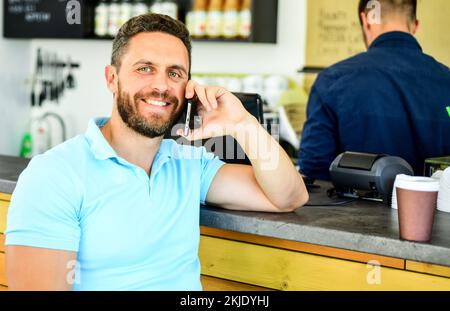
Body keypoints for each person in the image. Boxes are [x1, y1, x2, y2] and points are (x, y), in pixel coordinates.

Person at [5, 14, 308, 290]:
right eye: (145, 69)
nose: (161, 85)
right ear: (112, 78)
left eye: (175, 74)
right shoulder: (55, 175)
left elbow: (288, 197)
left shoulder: (189, 163)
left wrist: (243, 124)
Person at [298, 0, 450, 181]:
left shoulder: (332, 81)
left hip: (351, 209)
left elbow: (314, 174)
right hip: (433, 208)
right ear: (415, 25)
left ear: (366, 19)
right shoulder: (446, 81)